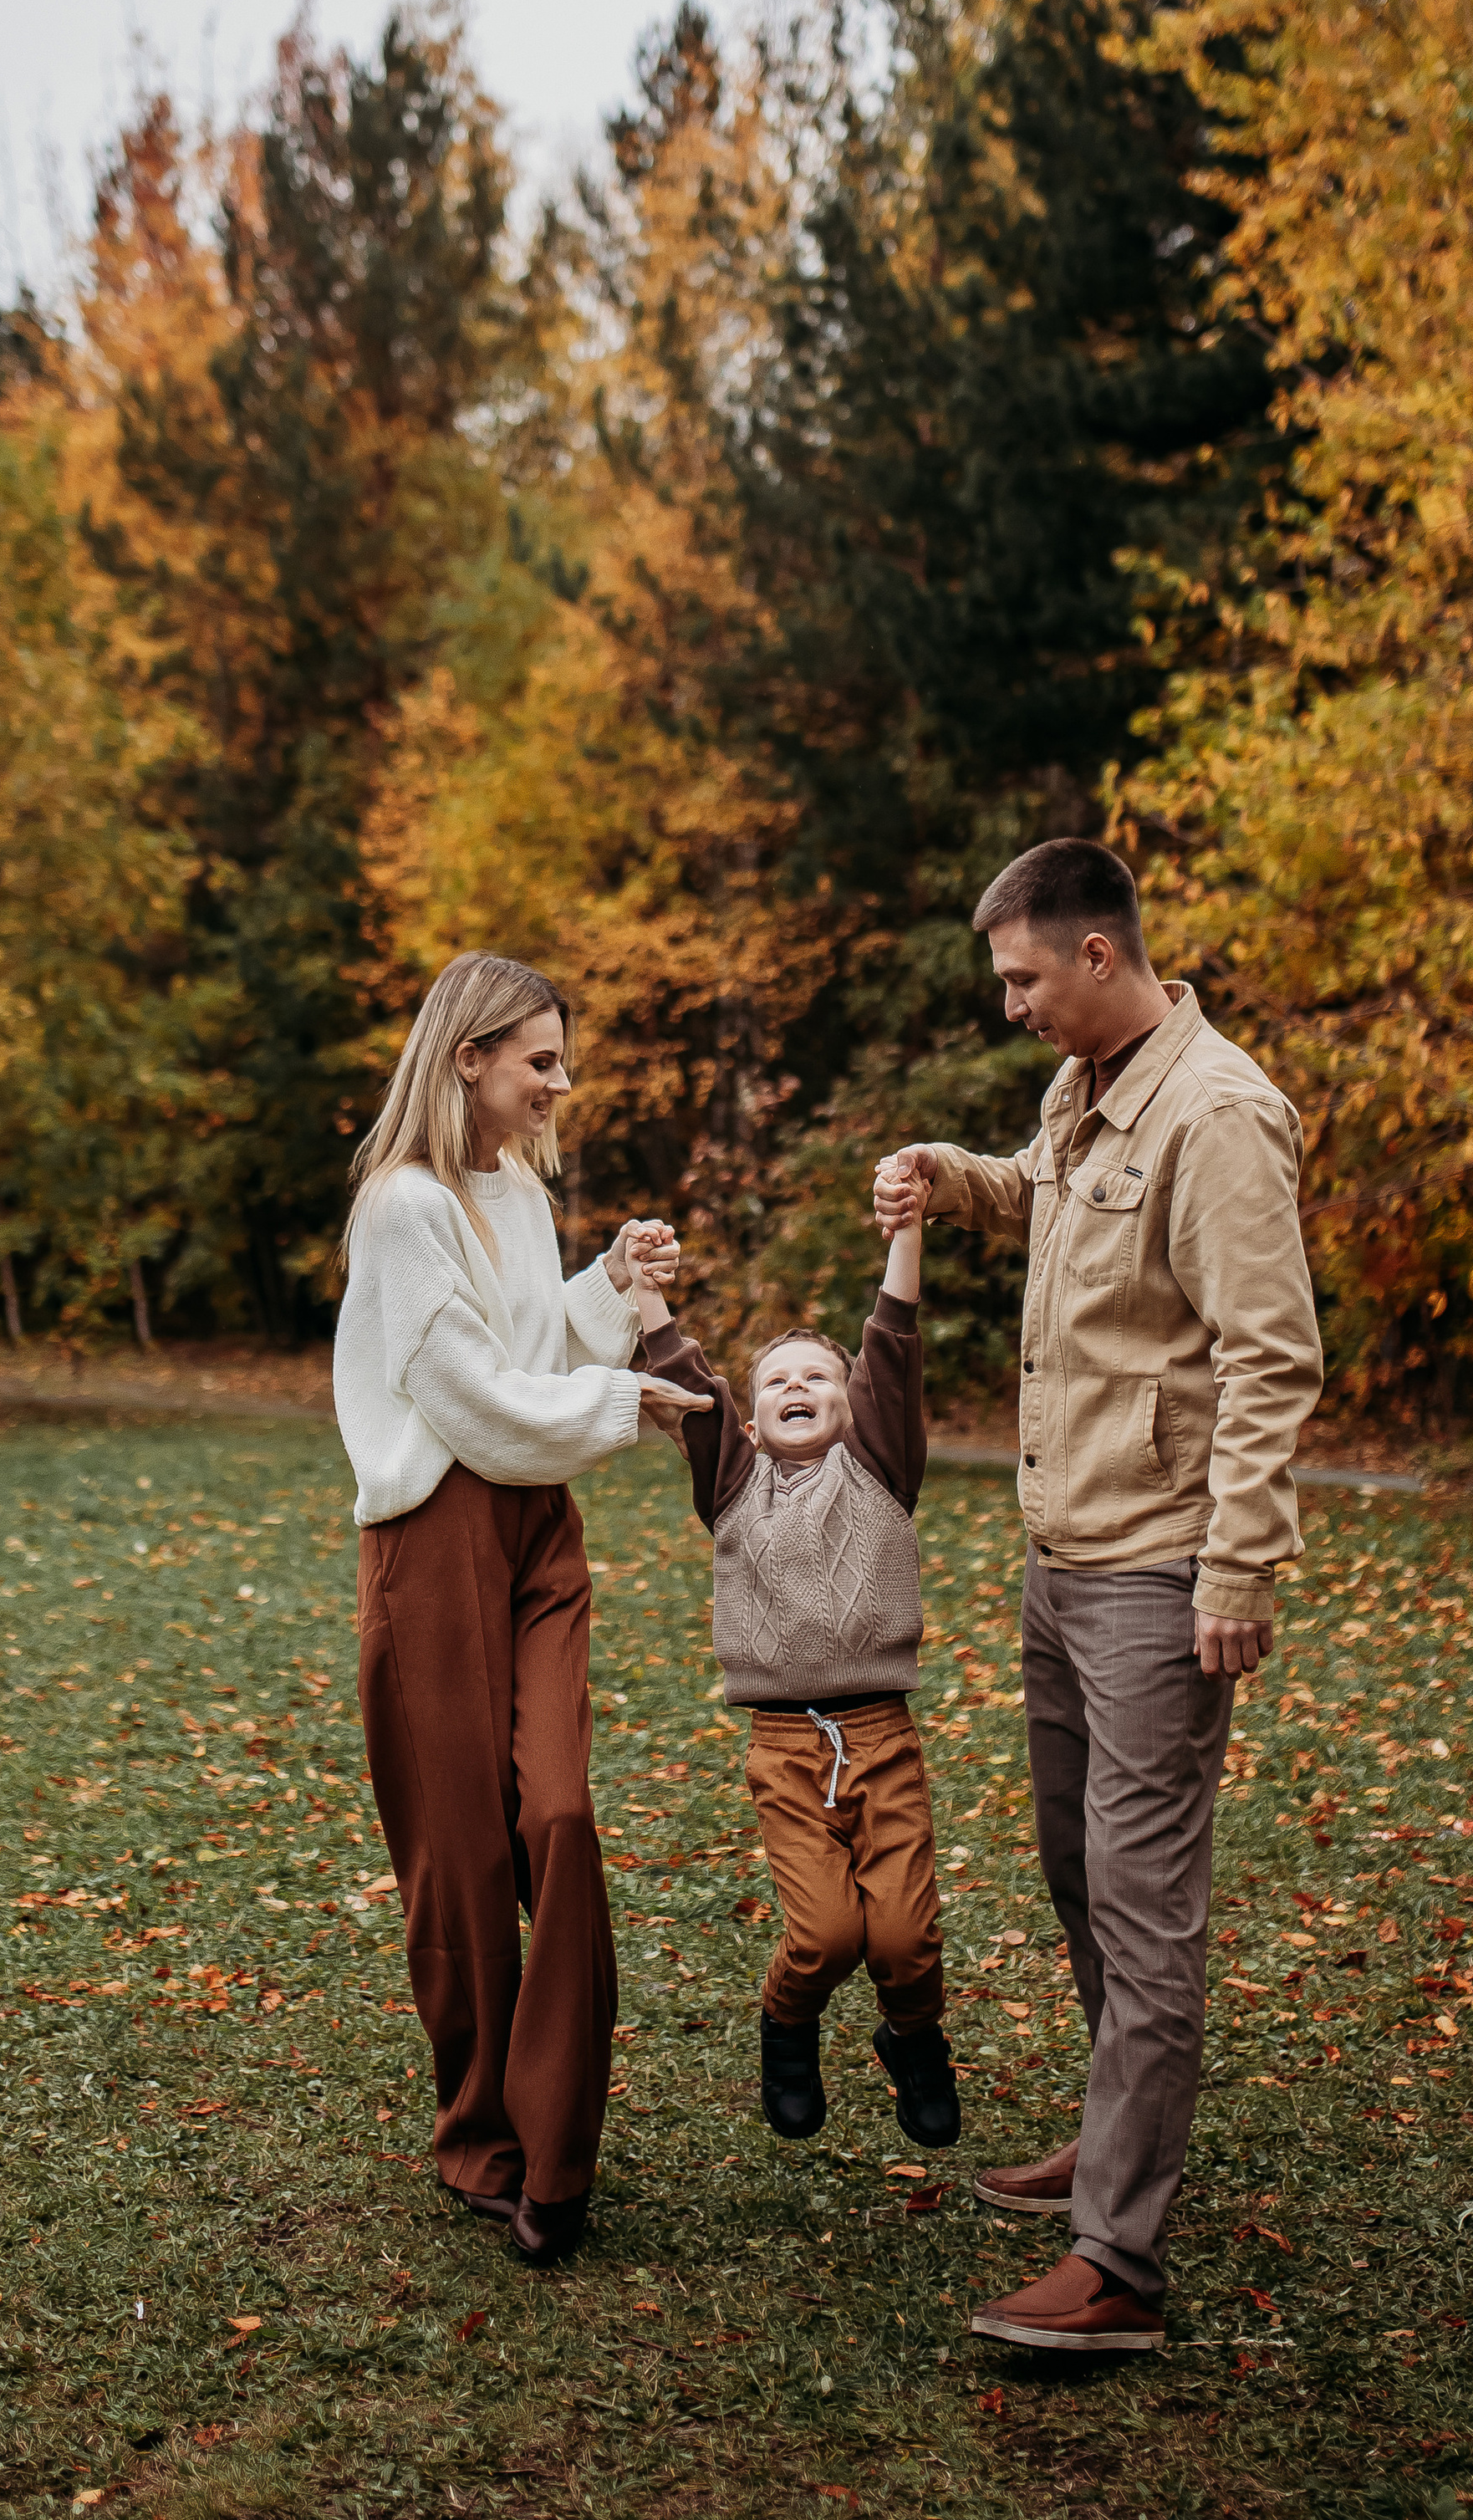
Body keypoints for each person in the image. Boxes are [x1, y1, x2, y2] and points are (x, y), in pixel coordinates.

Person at [874, 839, 1322, 2355]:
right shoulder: (1087, 1087)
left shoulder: (1218, 1114)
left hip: (1157, 1572)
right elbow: (1049, 1202)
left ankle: (1119, 2261)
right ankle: (1114, 2139)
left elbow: (1271, 1356)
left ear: (1098, 955)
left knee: (1143, 1903)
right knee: (1078, 1867)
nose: (1010, 1007)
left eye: (1021, 979)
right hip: (1061, 1556)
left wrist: (1239, 1566)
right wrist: (953, 1179)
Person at [334, 951, 695, 2265]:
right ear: (468, 1058)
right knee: (464, 1864)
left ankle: (561, 2148)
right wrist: (628, 1402)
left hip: (539, 1535)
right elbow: (470, 1398)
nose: (560, 1083)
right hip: (435, 1541)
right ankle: (484, 2140)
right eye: (541, 1061)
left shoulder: (520, 1196)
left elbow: (532, 1353)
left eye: (562, 1060)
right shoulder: (402, 1206)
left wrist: (610, 1285)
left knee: (561, 1816)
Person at [627, 1171, 961, 2153]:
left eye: (818, 1377)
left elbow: (892, 1345)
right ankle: (787, 2026)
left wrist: (906, 1231)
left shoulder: (881, 1469)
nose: (797, 1389)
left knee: (903, 1938)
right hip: (785, 1748)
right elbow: (688, 1381)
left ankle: (914, 2040)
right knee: (825, 1936)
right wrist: (644, 1291)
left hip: (882, 1739)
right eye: (775, 1382)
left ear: (855, 1407)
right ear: (750, 1420)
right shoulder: (734, 1486)